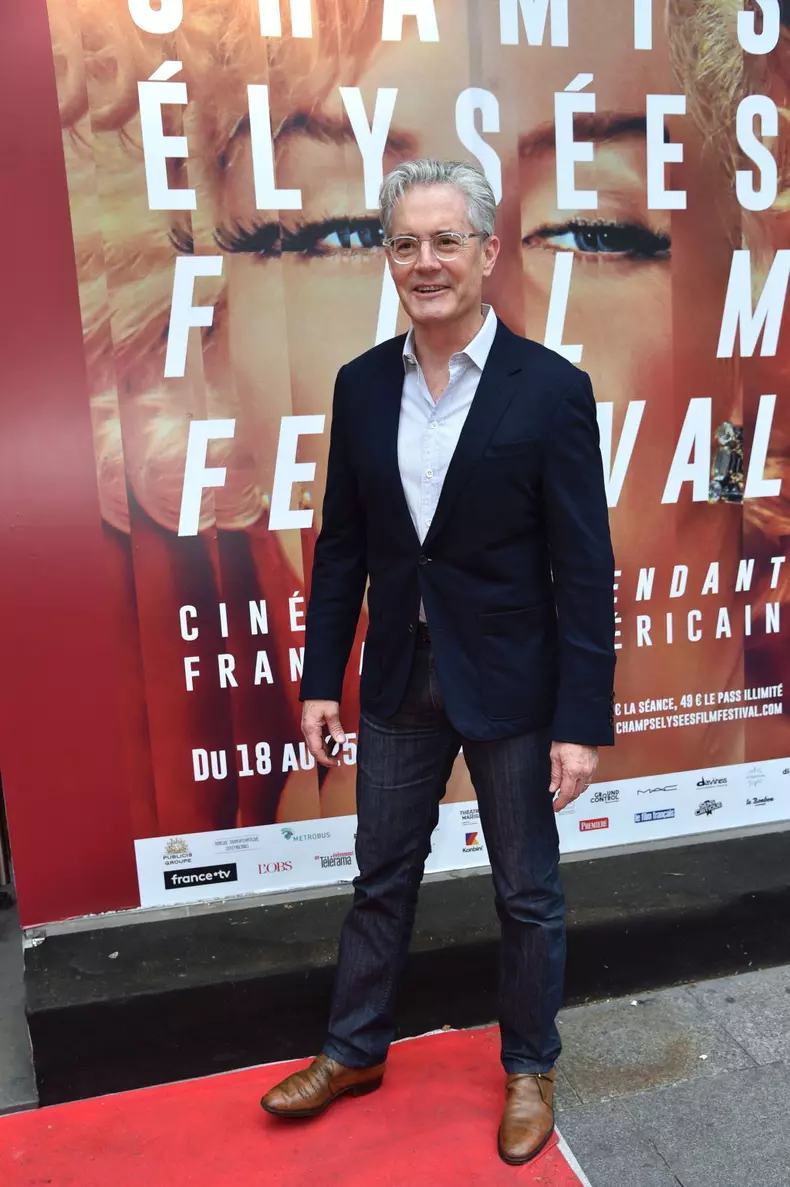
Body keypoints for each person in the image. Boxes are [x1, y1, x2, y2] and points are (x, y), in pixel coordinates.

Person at [261, 159, 616, 1166]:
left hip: (511, 682)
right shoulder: (361, 384)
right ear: (388, 255)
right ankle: (352, 1047)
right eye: (405, 243)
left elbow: (584, 569)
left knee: (525, 890)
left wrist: (582, 718)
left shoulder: (550, 390)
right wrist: (321, 678)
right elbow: (342, 544)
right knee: (381, 875)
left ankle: (529, 1066)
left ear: (487, 252)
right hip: (399, 681)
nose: (425, 263)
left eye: (444, 241)